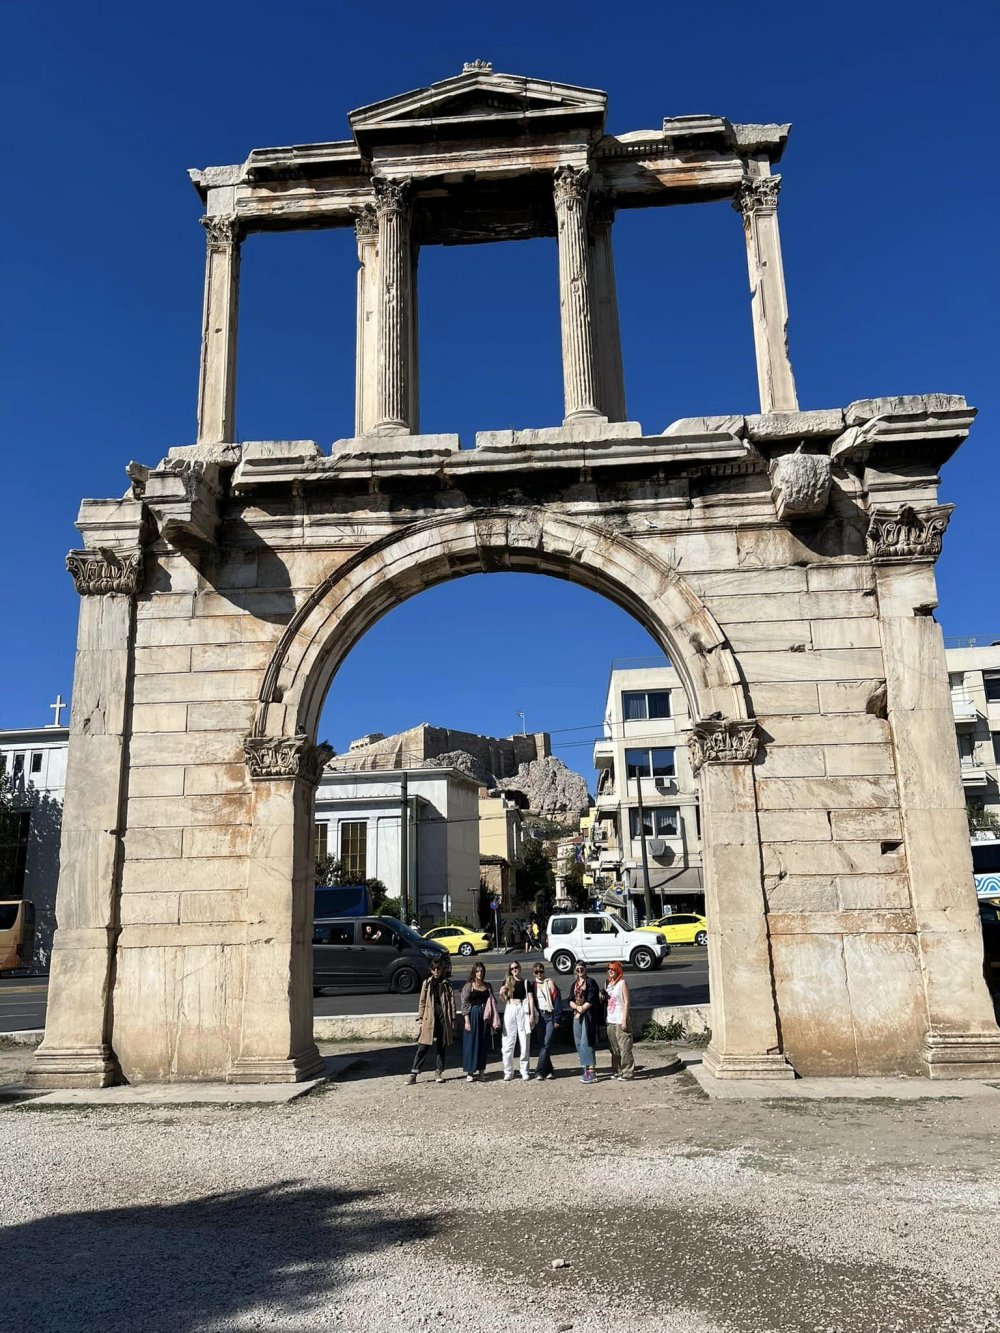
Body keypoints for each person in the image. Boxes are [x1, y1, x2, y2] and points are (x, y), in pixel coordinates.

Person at [406, 957, 456, 1084]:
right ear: (431, 970)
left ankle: (439, 1071)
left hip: (443, 1016)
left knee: (441, 1046)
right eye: (434, 969)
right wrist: (421, 1020)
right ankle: (414, 1073)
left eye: (438, 969)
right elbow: (422, 1002)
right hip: (429, 1016)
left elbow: (452, 1002)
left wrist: (453, 1018)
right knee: (423, 1046)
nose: (436, 971)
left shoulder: (446, 983)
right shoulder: (427, 983)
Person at [461, 961, 499, 1081]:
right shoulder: (468, 986)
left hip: (484, 1016)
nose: (479, 973)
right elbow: (464, 1004)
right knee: (471, 1044)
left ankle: (482, 1071)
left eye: (481, 971)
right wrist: (467, 1021)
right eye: (477, 971)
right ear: (474, 972)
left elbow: (493, 1001)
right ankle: (470, 1072)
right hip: (473, 1015)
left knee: (483, 1043)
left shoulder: (487, 986)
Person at [499, 960, 536, 1081]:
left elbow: (530, 999)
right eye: (512, 968)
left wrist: (531, 1015)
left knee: (524, 1041)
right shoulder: (507, 982)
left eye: (516, 967)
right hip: (510, 1008)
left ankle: (524, 1070)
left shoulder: (526, 982)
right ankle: (508, 1071)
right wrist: (501, 993)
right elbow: (503, 999)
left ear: (520, 968)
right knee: (508, 1042)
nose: (514, 970)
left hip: (522, 1009)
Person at [568, 961, 601, 1084]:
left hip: (588, 1016)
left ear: (585, 969)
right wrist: (577, 1008)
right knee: (578, 1042)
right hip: (577, 1015)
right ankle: (585, 1068)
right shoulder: (575, 984)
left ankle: (591, 1071)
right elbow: (570, 999)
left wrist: (581, 1010)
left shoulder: (591, 982)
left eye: (581, 968)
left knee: (586, 1042)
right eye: (577, 969)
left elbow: (592, 999)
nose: (580, 971)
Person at [527, 961, 561, 1080]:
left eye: (541, 971)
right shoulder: (532, 985)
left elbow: (557, 1000)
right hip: (539, 1017)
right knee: (542, 1045)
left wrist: (557, 1018)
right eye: (537, 972)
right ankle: (549, 1070)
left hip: (549, 1015)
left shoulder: (550, 983)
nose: (539, 974)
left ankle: (539, 1071)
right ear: (534, 973)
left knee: (546, 1044)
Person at [604, 960, 635, 1081]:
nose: (611, 971)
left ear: (618, 970)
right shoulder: (608, 984)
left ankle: (627, 1072)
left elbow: (626, 1001)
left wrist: (624, 1020)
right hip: (610, 1018)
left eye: (613, 969)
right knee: (614, 1048)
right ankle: (617, 1070)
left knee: (624, 1047)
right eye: (609, 969)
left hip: (620, 1017)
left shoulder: (622, 983)